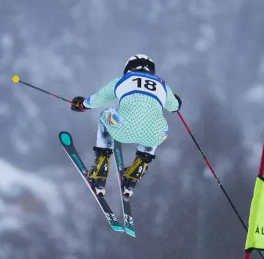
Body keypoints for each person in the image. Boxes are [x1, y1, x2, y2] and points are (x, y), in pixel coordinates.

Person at [70, 54, 182, 197]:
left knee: (105, 116)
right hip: (157, 135)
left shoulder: (123, 80)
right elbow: (175, 107)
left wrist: (82, 104)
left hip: (123, 129)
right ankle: (137, 170)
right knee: (155, 126)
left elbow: (97, 99)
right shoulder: (162, 84)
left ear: (129, 67)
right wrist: (176, 101)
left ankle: (101, 169)